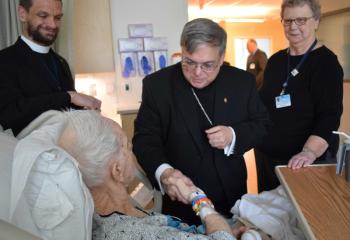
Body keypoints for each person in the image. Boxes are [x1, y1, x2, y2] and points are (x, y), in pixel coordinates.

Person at [132, 18, 269, 225]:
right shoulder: (157, 86)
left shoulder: (241, 82)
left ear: (221, 57)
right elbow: (144, 140)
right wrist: (166, 174)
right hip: (180, 198)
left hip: (231, 195)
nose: (197, 73)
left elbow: (262, 124)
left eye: (207, 65)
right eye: (189, 62)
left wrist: (233, 135)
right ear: (182, 51)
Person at [57, 110, 248, 240]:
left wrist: (218, 230)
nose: (132, 152)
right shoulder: (131, 233)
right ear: (117, 170)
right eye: (128, 147)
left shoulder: (100, 215)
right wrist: (199, 200)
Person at [255, 0, 343, 192]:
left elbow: (329, 116)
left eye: (301, 20)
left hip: (303, 162)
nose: (293, 27)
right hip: (267, 158)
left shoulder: (326, 63)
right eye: (287, 21)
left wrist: (308, 152)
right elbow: (262, 104)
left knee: (304, 218)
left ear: (316, 21)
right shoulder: (276, 60)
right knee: (269, 218)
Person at [0, 0, 101, 136]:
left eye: (57, 18)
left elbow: (67, 110)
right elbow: (9, 115)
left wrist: (87, 110)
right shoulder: (5, 60)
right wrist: (69, 96)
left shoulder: (61, 62)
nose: (53, 25)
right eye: (43, 16)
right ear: (22, 14)